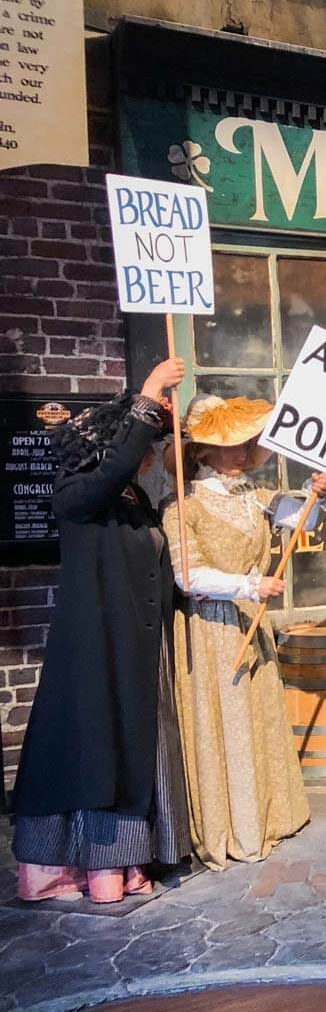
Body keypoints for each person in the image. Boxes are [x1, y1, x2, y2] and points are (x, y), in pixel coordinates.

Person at [10, 360, 193, 903]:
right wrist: (150, 392)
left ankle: (125, 862)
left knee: (132, 753)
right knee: (95, 754)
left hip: (135, 647)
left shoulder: (131, 502)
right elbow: (111, 471)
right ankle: (85, 870)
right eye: (142, 446)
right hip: (95, 651)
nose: (148, 457)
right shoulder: (77, 495)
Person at [162, 395, 326, 870]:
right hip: (211, 630)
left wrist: (318, 493)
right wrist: (249, 585)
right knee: (230, 724)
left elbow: (304, 518)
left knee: (256, 719)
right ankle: (234, 824)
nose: (242, 453)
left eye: (246, 444)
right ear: (203, 452)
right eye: (230, 446)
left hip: (250, 623)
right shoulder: (183, 506)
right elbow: (188, 577)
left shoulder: (252, 496)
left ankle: (269, 814)